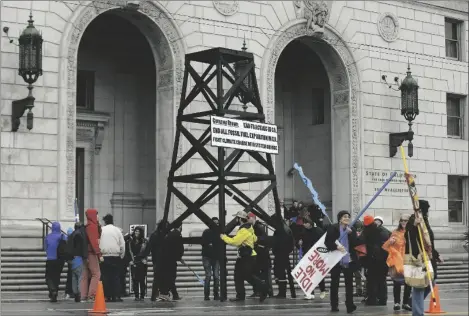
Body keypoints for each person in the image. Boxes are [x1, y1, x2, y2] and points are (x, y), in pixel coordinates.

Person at [220, 211, 268, 302]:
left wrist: (223, 237)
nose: (236, 220)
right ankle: (240, 295)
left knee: (246, 275)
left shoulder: (243, 230)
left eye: (237, 218)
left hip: (247, 257)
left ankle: (263, 287)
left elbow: (235, 242)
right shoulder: (249, 228)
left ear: (239, 219)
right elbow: (255, 238)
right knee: (238, 276)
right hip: (246, 256)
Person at [405, 200, 442, 316]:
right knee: (419, 285)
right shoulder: (413, 220)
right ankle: (417, 313)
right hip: (419, 258)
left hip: (429, 257)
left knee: (432, 281)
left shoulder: (425, 220)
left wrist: (436, 254)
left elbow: (428, 242)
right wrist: (414, 225)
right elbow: (408, 236)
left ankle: (413, 301)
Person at [325, 210, 358, 314]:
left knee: (349, 284)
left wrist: (351, 234)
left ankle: (350, 305)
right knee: (334, 283)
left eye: (348, 216)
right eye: (344, 216)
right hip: (336, 260)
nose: (347, 218)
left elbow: (355, 244)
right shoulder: (333, 228)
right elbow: (327, 242)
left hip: (348, 259)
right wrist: (336, 246)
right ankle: (334, 305)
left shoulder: (351, 229)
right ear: (340, 218)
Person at [383, 214, 412, 311]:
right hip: (397, 261)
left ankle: (406, 303)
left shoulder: (412, 232)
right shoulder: (395, 232)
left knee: (408, 283)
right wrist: (390, 241)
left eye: (406, 220)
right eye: (402, 220)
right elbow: (385, 247)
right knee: (397, 283)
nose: (404, 222)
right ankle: (397, 302)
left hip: (409, 261)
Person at [361, 214, 390, 306]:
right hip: (383, 260)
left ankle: (372, 299)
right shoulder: (384, 231)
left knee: (371, 280)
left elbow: (362, 244)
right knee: (381, 280)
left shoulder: (367, 232)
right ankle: (382, 299)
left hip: (373, 260)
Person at [297, 219, 327, 300]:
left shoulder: (318, 231)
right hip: (308, 254)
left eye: (305, 223)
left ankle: (322, 290)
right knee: (309, 274)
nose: (304, 225)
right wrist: (300, 243)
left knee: (318, 274)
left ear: (309, 223)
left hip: (317, 255)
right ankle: (310, 292)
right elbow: (301, 240)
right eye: (303, 223)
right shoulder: (304, 231)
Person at [138, 220, 168, 301]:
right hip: (163, 259)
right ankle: (161, 294)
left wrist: (143, 256)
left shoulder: (154, 235)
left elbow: (149, 247)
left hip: (156, 259)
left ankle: (156, 295)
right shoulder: (164, 235)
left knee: (157, 277)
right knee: (161, 277)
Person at [100, 214, 126, 302]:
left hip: (104, 256)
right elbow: (122, 243)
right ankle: (116, 296)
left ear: (105, 221)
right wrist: (122, 254)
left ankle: (107, 296)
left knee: (105, 277)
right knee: (115, 276)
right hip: (115, 256)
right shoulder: (117, 230)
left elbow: (98, 242)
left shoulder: (102, 230)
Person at [248, 213, 273, 298]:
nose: (247, 220)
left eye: (248, 218)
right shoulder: (252, 227)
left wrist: (257, 240)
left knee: (265, 274)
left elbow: (264, 238)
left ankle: (268, 291)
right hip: (257, 254)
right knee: (256, 273)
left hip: (262, 254)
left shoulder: (258, 227)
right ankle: (258, 291)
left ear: (253, 218)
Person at [159, 223, 184, 301]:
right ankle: (165, 293)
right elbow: (179, 248)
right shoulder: (177, 234)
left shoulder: (169, 234)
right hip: (171, 260)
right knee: (171, 277)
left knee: (170, 277)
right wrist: (179, 257)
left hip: (166, 259)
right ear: (180, 226)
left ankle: (174, 294)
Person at [44, 222, 66, 302]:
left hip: (50, 259)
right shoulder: (62, 236)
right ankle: (55, 291)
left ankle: (52, 290)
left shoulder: (48, 237)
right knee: (57, 276)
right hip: (60, 260)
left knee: (48, 277)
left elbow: (45, 248)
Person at [201, 217, 221, 301]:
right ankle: (208, 295)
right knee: (210, 276)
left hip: (213, 257)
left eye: (217, 223)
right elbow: (204, 243)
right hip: (208, 257)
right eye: (215, 223)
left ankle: (214, 294)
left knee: (214, 276)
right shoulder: (208, 232)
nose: (216, 224)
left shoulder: (209, 232)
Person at [66, 222, 87, 302]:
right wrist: (85, 256)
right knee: (80, 277)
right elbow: (81, 248)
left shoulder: (71, 235)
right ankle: (79, 293)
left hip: (72, 259)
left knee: (74, 277)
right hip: (78, 258)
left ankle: (75, 293)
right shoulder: (79, 235)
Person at [127, 226, 148, 301]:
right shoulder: (131, 241)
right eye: (136, 231)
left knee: (142, 280)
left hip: (142, 261)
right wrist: (130, 260)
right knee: (134, 279)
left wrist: (145, 259)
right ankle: (136, 295)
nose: (137, 233)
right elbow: (129, 252)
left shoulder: (144, 241)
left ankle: (142, 296)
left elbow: (146, 251)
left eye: (138, 231)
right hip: (134, 261)